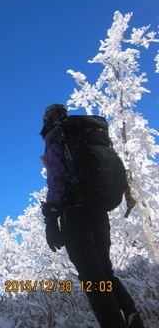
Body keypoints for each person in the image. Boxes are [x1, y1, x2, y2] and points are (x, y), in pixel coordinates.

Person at [40, 104, 145, 328]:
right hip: (98, 211)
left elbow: (57, 181)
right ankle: (134, 321)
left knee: (91, 276)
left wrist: (51, 220)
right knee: (106, 273)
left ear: (48, 120)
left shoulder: (56, 138)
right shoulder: (88, 136)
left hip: (74, 215)